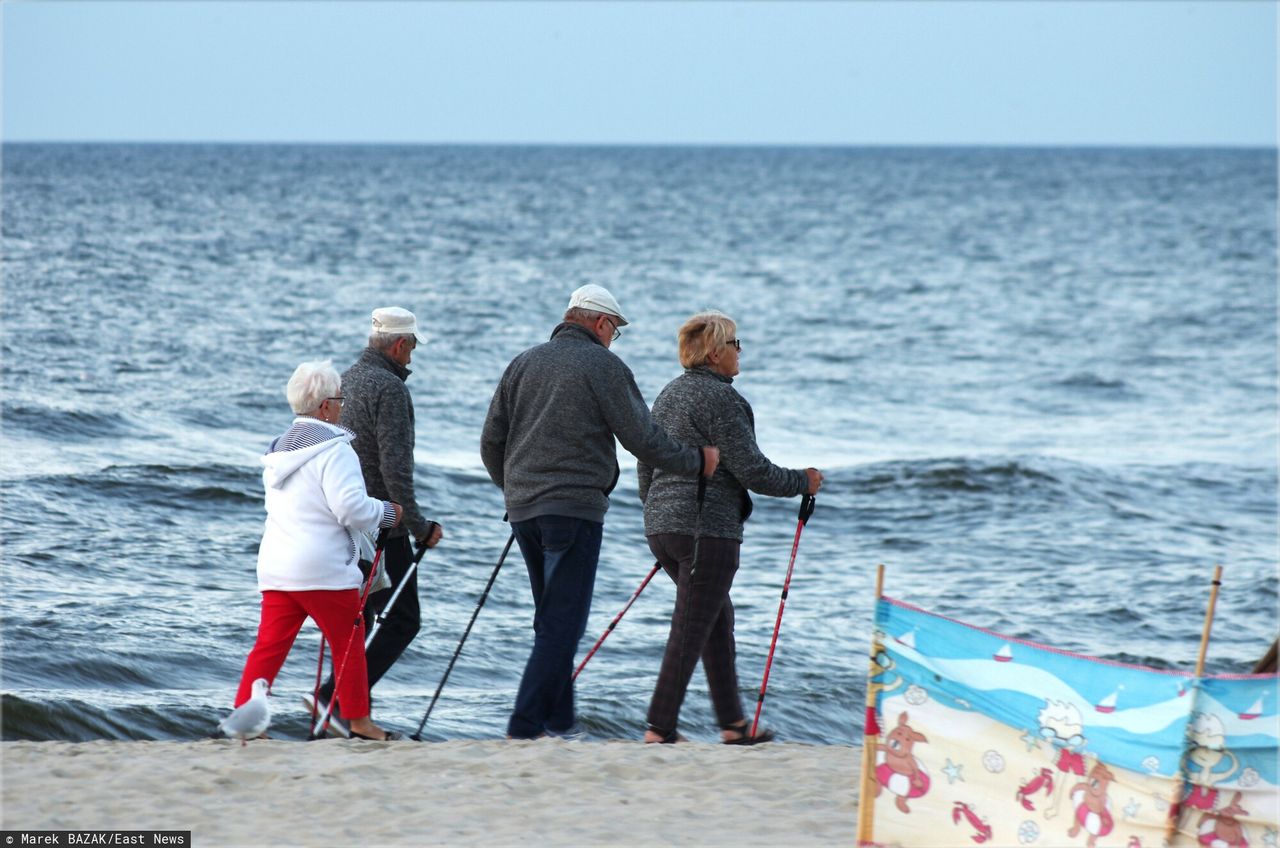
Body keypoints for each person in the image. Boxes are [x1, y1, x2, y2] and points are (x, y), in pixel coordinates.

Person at [481, 284, 720, 740]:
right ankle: (525, 725)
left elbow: (492, 441)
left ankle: (560, 721)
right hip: (573, 509)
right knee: (562, 622)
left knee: (551, 618)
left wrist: (514, 489)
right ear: (601, 323)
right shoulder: (603, 365)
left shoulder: (523, 363)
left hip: (524, 511)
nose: (614, 340)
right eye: (615, 331)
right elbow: (643, 439)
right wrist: (695, 460)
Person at [637, 311, 822, 744]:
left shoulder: (668, 395)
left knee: (714, 619)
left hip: (663, 529)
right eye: (736, 344)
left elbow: (646, 460)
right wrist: (802, 481)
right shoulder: (722, 400)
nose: (741, 353)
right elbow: (752, 470)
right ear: (716, 352)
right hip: (708, 530)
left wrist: (659, 512)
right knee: (691, 625)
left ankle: (733, 724)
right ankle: (659, 728)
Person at [231, 360, 403, 741]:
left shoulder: (276, 451)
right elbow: (350, 509)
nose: (342, 407)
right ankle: (359, 721)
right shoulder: (335, 450)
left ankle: (246, 720)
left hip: (277, 564)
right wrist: (389, 512)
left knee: (269, 646)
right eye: (339, 400)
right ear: (325, 406)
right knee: (349, 643)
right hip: (322, 568)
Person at [312, 307, 444, 735]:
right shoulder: (390, 388)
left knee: (360, 619)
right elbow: (395, 470)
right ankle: (333, 699)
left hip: (342, 518)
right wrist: (420, 526)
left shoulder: (344, 381)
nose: (412, 357)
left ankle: (345, 711)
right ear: (401, 344)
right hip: (384, 523)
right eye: (413, 348)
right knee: (404, 620)